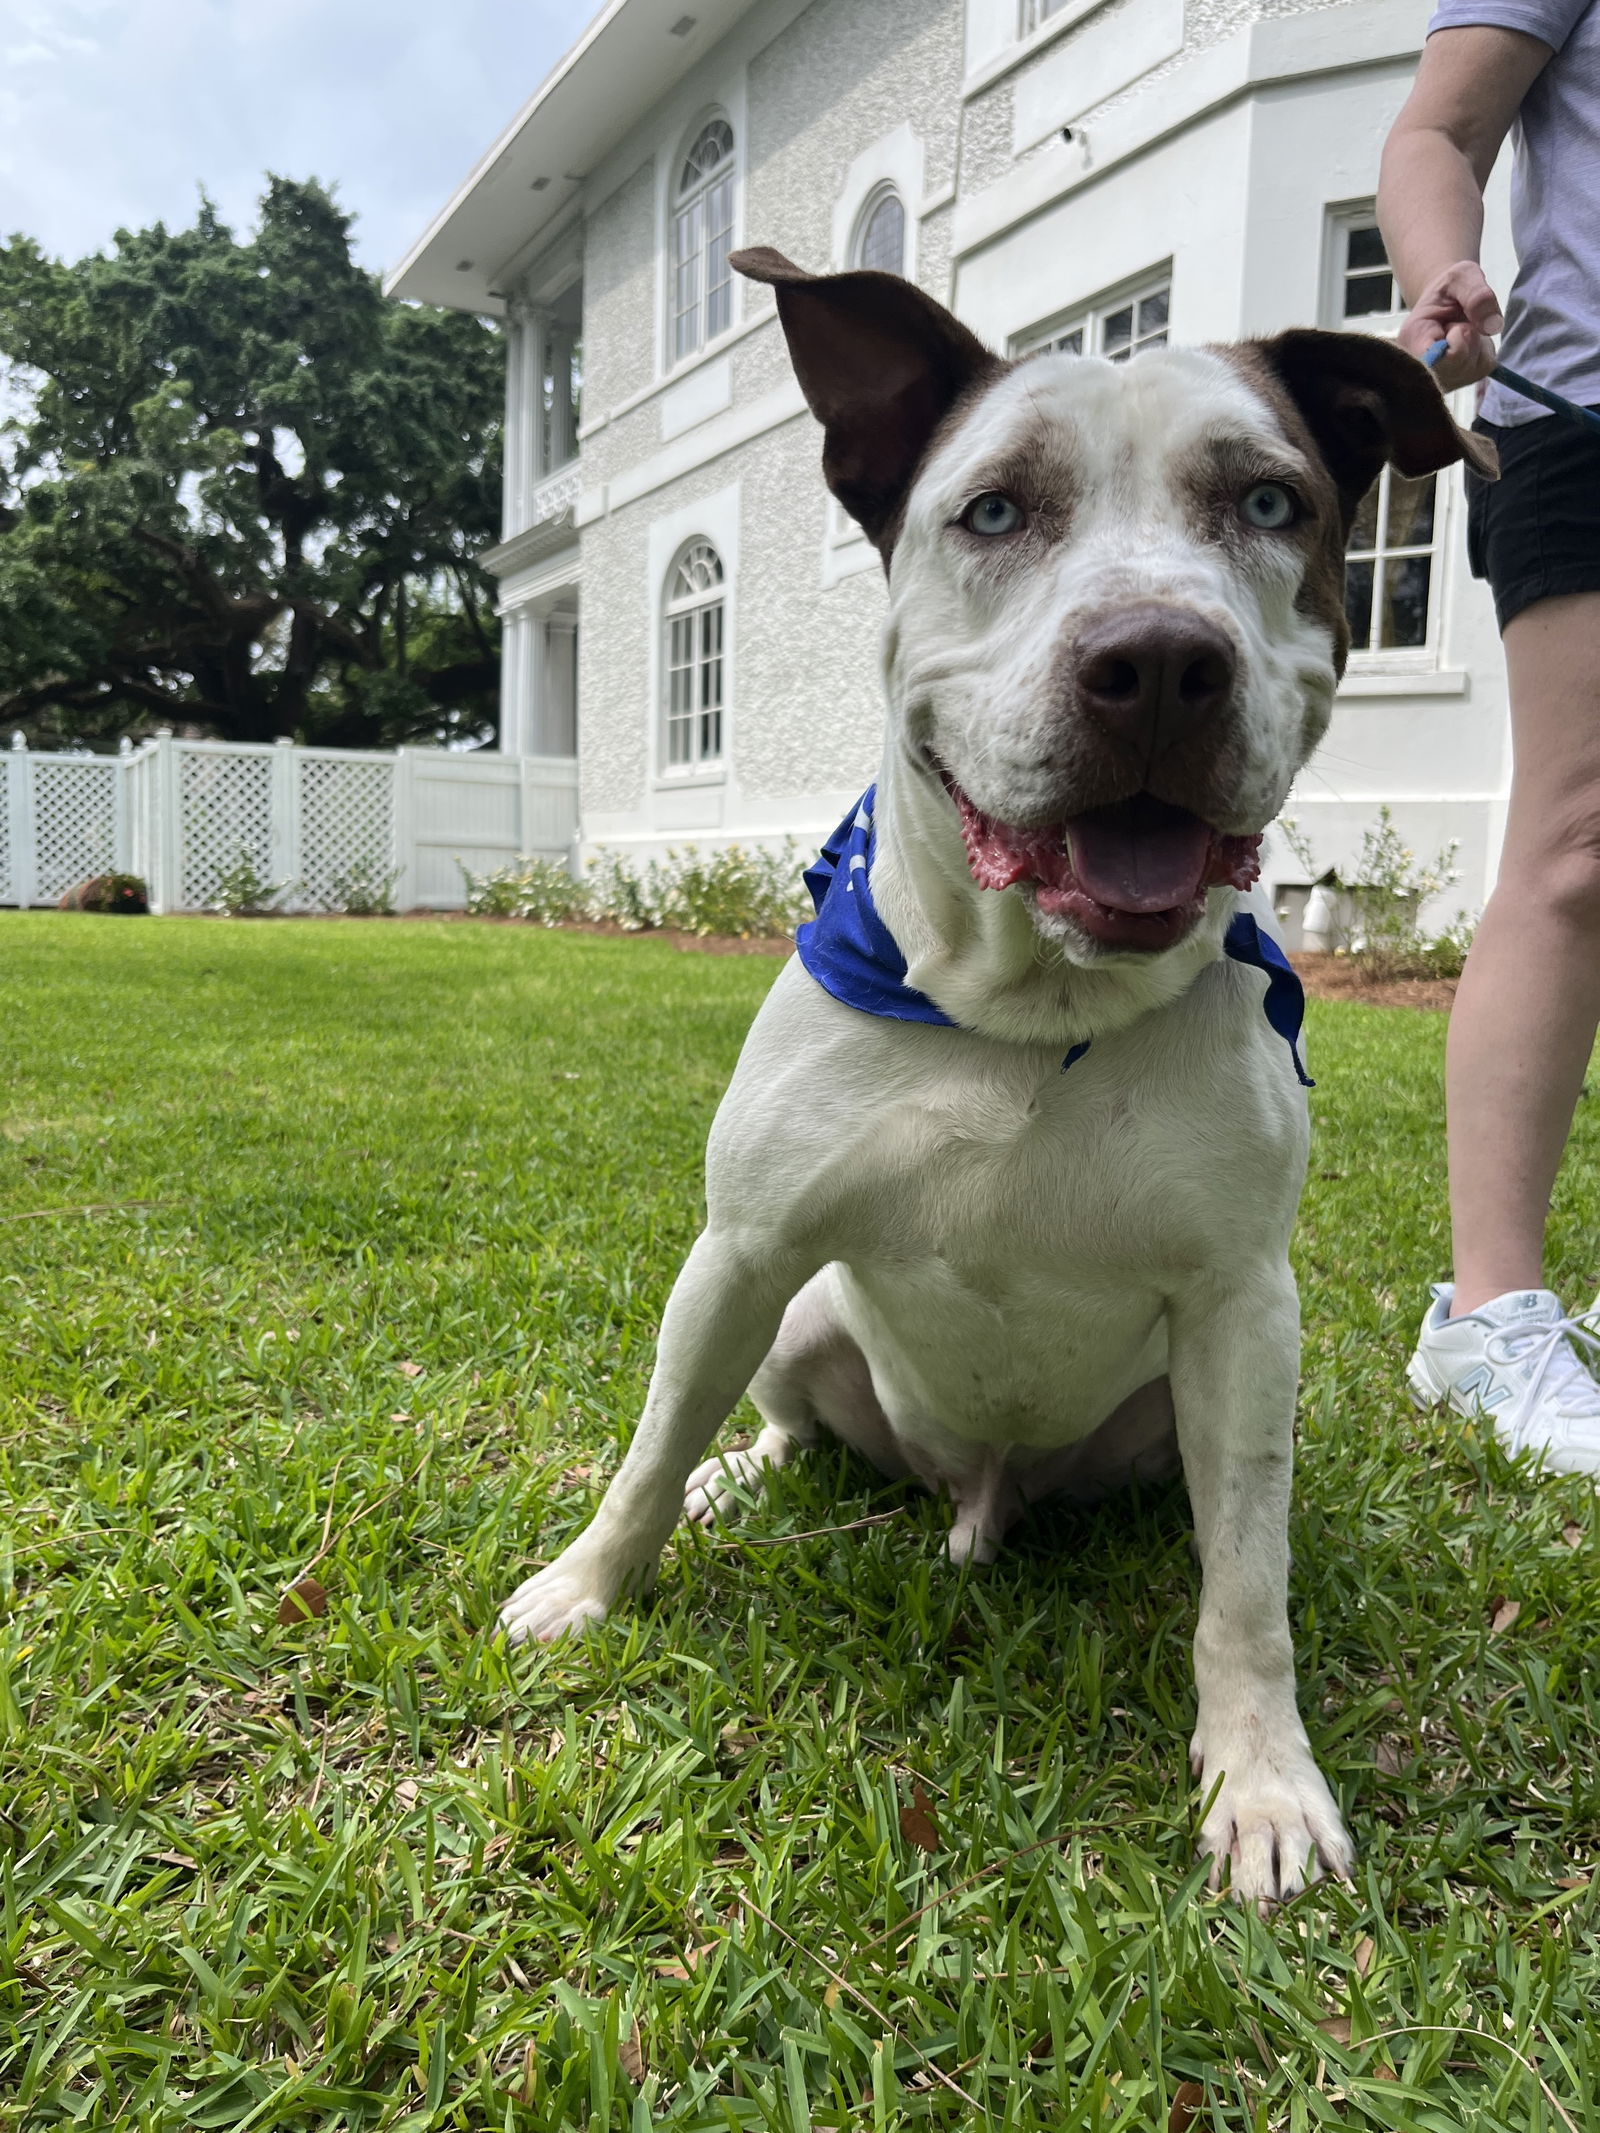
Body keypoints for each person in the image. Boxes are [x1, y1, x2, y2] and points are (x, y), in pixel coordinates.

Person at [1378, 0, 1600, 1474]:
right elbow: (1439, 128)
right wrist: (1435, 271)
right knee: (1583, 842)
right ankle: (1490, 1317)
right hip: (1580, 411)